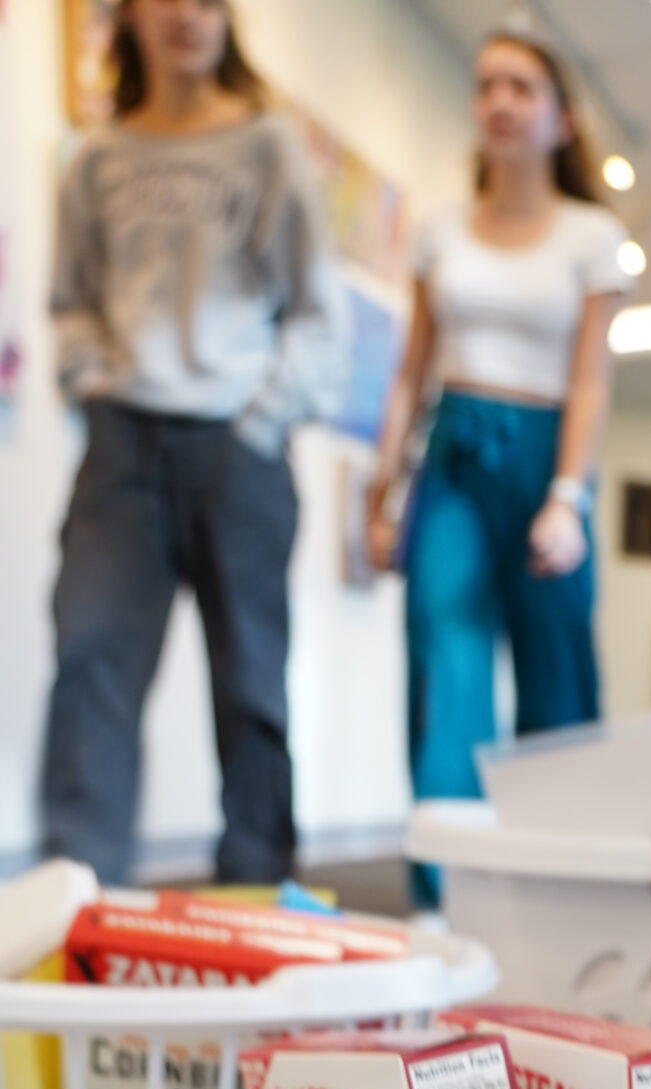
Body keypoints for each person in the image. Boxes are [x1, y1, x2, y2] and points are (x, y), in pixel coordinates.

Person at [43, 0, 345, 886]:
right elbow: (72, 303)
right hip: (123, 445)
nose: (190, 15)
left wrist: (259, 424)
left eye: (212, 0)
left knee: (251, 685)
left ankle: (257, 902)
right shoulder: (97, 157)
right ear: (128, 15)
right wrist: (92, 379)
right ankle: (74, 905)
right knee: (89, 664)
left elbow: (318, 312)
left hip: (237, 448)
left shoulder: (268, 146)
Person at [368, 27, 630, 902]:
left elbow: (590, 378)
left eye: (521, 86)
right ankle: (446, 891)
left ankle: (560, 886)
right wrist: (383, 487)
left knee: (555, 677)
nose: (499, 102)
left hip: (546, 450)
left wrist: (567, 497)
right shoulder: (439, 232)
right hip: (452, 452)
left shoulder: (591, 237)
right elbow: (411, 372)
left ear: (561, 118)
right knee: (446, 660)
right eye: (486, 87)